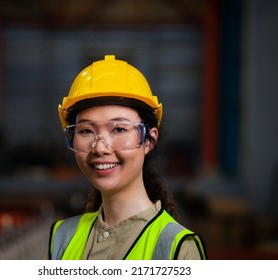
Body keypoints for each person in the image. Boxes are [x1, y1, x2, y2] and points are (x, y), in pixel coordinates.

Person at [47, 55, 206, 260]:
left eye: (119, 129)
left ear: (149, 140)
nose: (100, 148)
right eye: (86, 131)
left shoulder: (177, 249)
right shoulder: (61, 237)